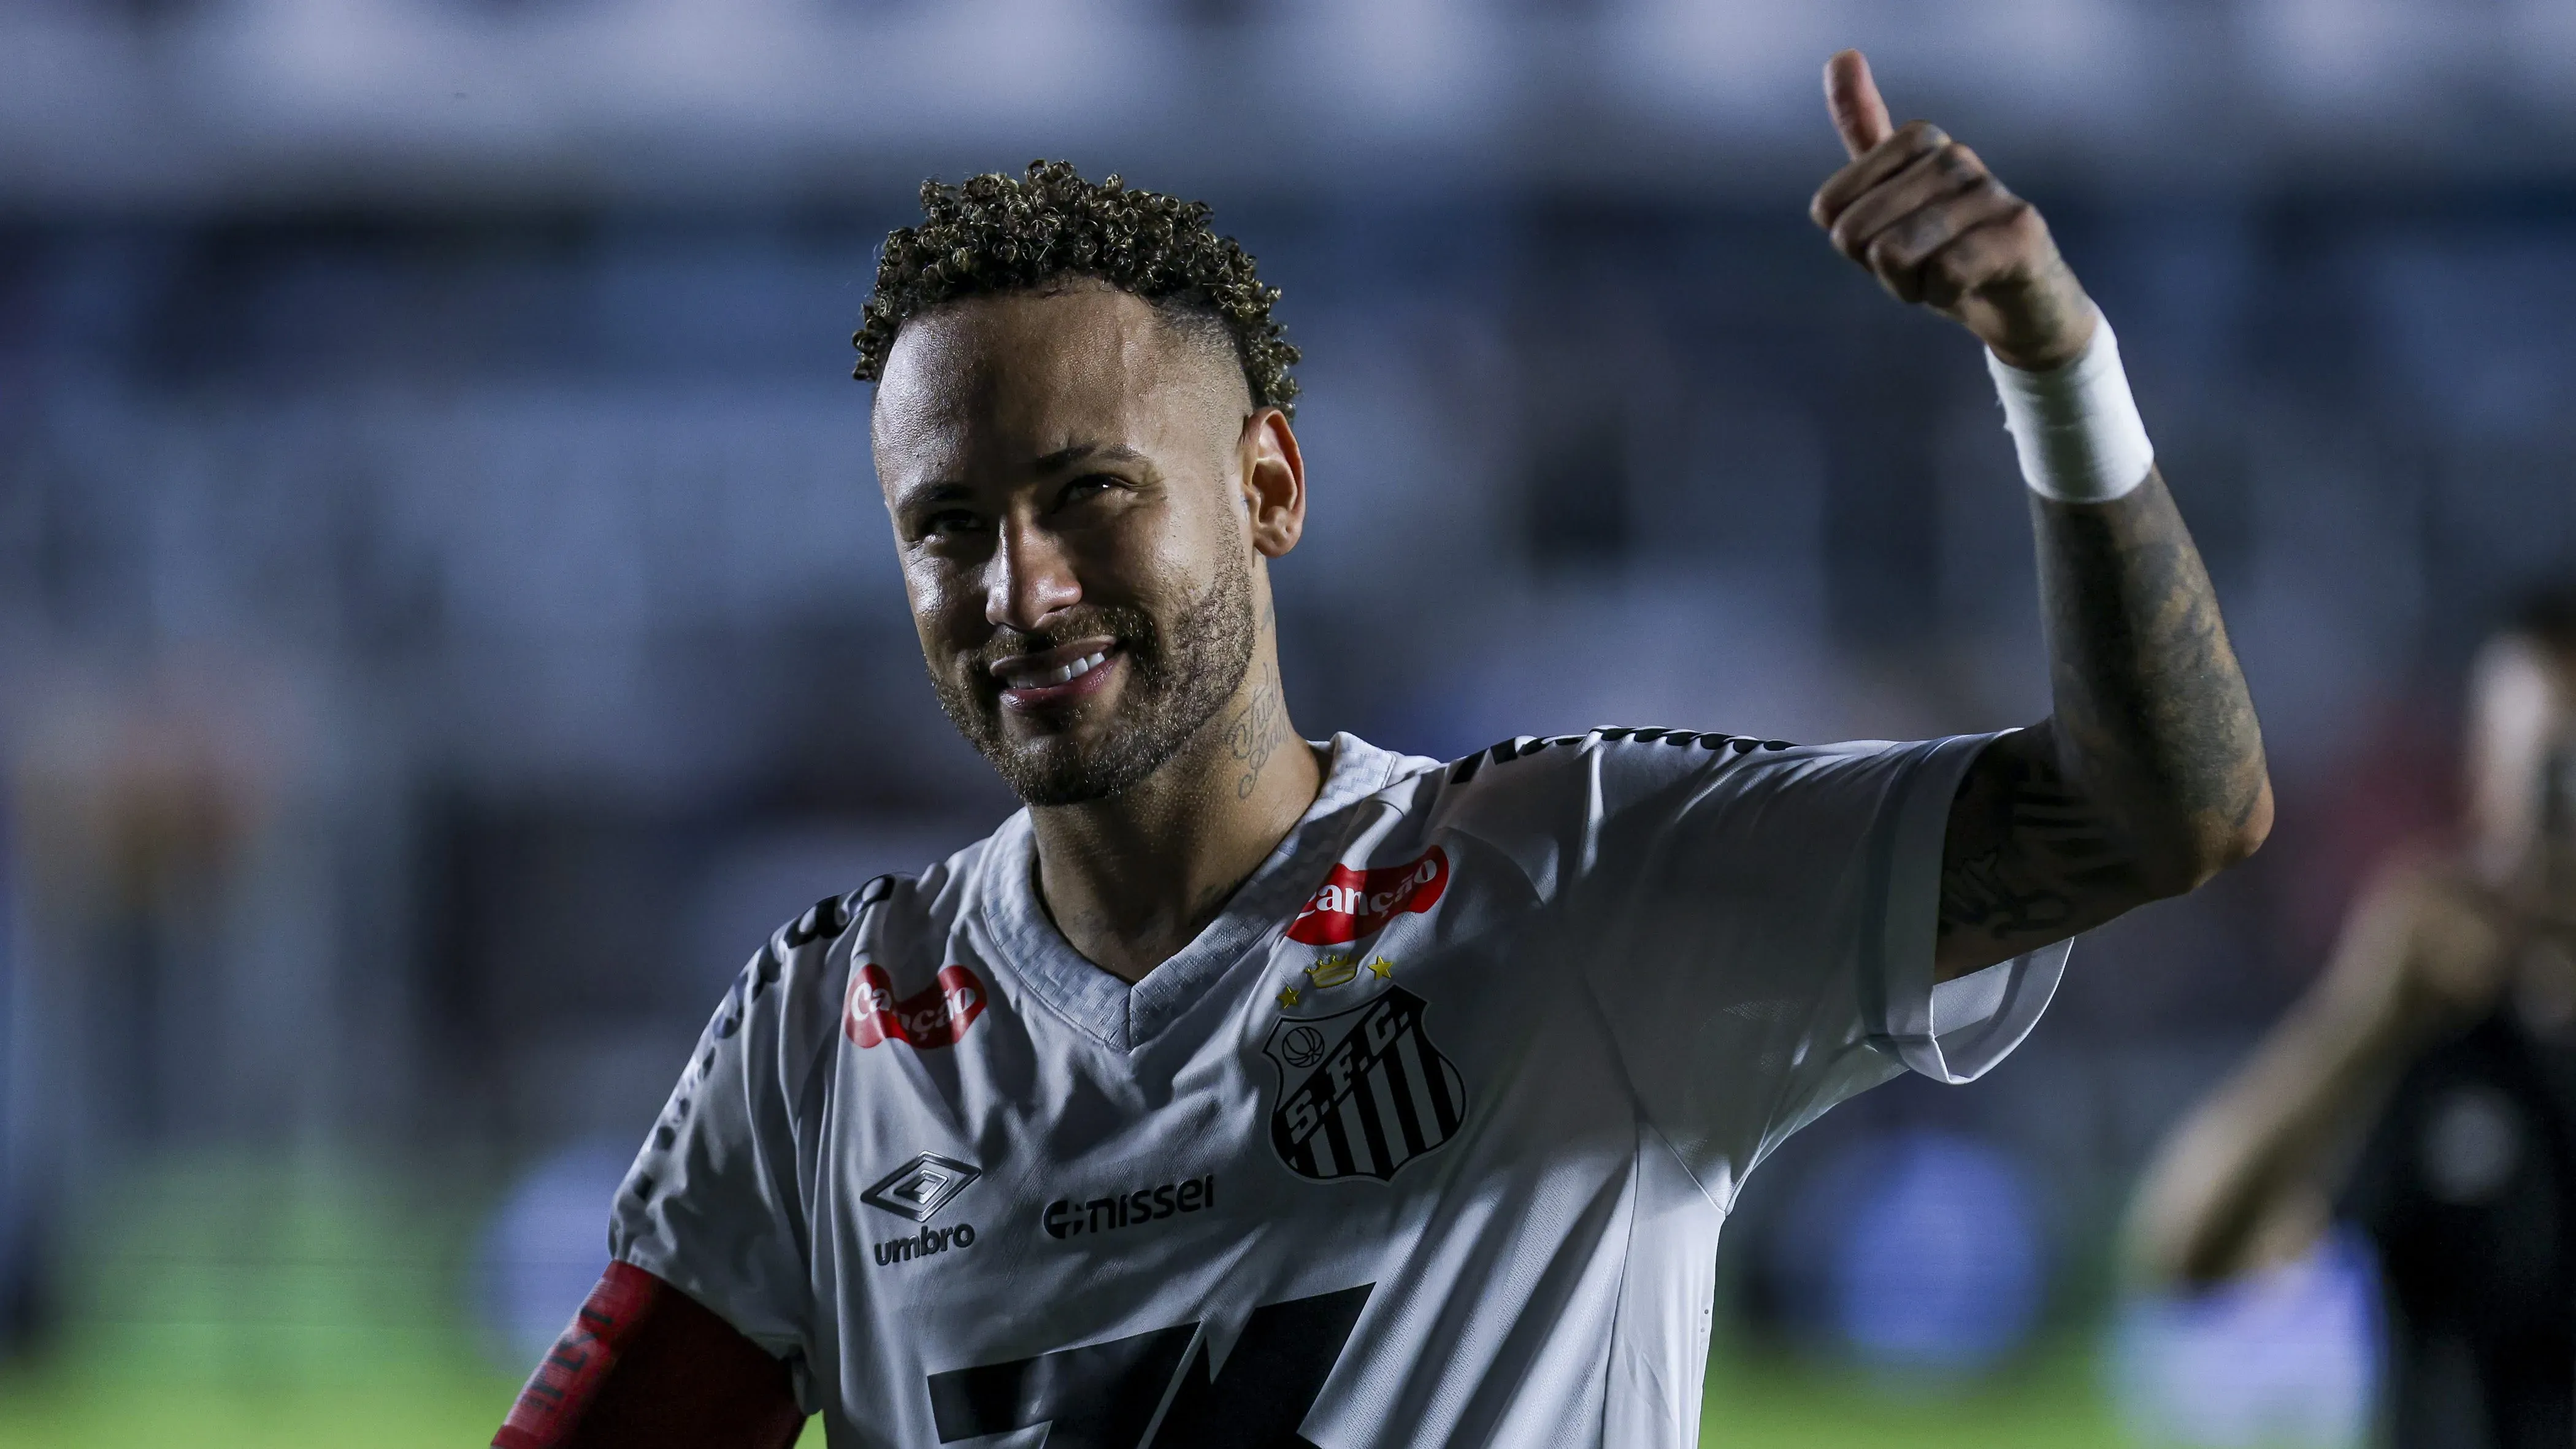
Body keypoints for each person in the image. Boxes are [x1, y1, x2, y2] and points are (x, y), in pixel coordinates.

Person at [494, 50, 2270, 1449]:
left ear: (1269, 485)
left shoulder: (1581, 883)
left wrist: (2057, 364)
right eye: (947, 526)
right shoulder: (826, 1034)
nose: (1019, 588)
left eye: (1089, 492)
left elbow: (2160, 813)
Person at [2129, 594, 2576, 1449]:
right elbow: (2191, 1253)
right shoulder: (2435, 1023)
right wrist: (2362, 1013)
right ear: (2485, 780)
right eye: (2551, 771)